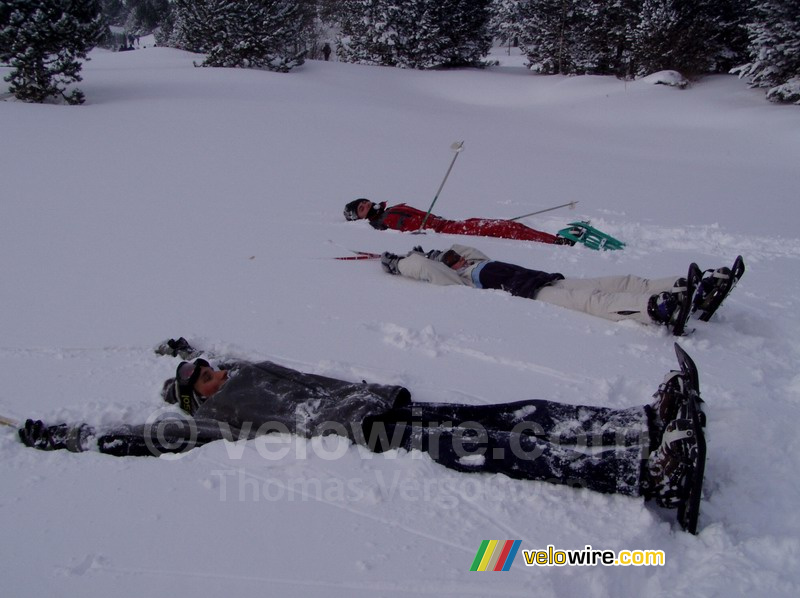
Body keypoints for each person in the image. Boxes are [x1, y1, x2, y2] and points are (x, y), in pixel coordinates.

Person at [17, 338, 706, 531]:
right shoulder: (210, 421)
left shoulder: (244, 368)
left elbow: (216, 348)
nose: (208, 371)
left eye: (203, 364)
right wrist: (68, 435)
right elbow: (142, 438)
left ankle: (640, 424)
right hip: (365, 436)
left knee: (509, 413)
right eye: (196, 375)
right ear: (191, 397)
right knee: (503, 450)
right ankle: (645, 476)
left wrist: (182, 344)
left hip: (380, 403)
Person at [380, 244, 741, 334]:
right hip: (531, 293)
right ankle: (657, 308)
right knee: (593, 300)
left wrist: (445, 251)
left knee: (622, 280)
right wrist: (403, 261)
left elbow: (467, 250)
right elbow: (424, 268)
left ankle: (693, 288)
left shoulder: (474, 261)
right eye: (450, 259)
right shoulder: (457, 280)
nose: (457, 259)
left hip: (547, 278)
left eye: (454, 255)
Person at [343, 198, 570, 245]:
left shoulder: (389, 210)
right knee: (507, 229)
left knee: (508, 226)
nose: (367, 205)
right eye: (361, 209)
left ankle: (553, 239)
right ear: (358, 218)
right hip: (448, 231)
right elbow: (411, 233)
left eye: (364, 202)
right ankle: (556, 242)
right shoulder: (382, 223)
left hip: (449, 224)